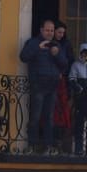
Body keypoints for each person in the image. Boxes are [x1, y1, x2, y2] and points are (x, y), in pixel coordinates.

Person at [19, 19, 68, 152]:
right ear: (41, 30)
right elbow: (23, 57)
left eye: (52, 30)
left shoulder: (56, 45)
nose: (50, 33)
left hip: (52, 87)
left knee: (49, 118)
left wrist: (57, 54)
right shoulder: (33, 42)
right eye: (47, 30)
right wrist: (37, 48)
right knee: (35, 117)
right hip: (38, 86)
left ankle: (48, 145)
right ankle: (32, 145)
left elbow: (64, 64)